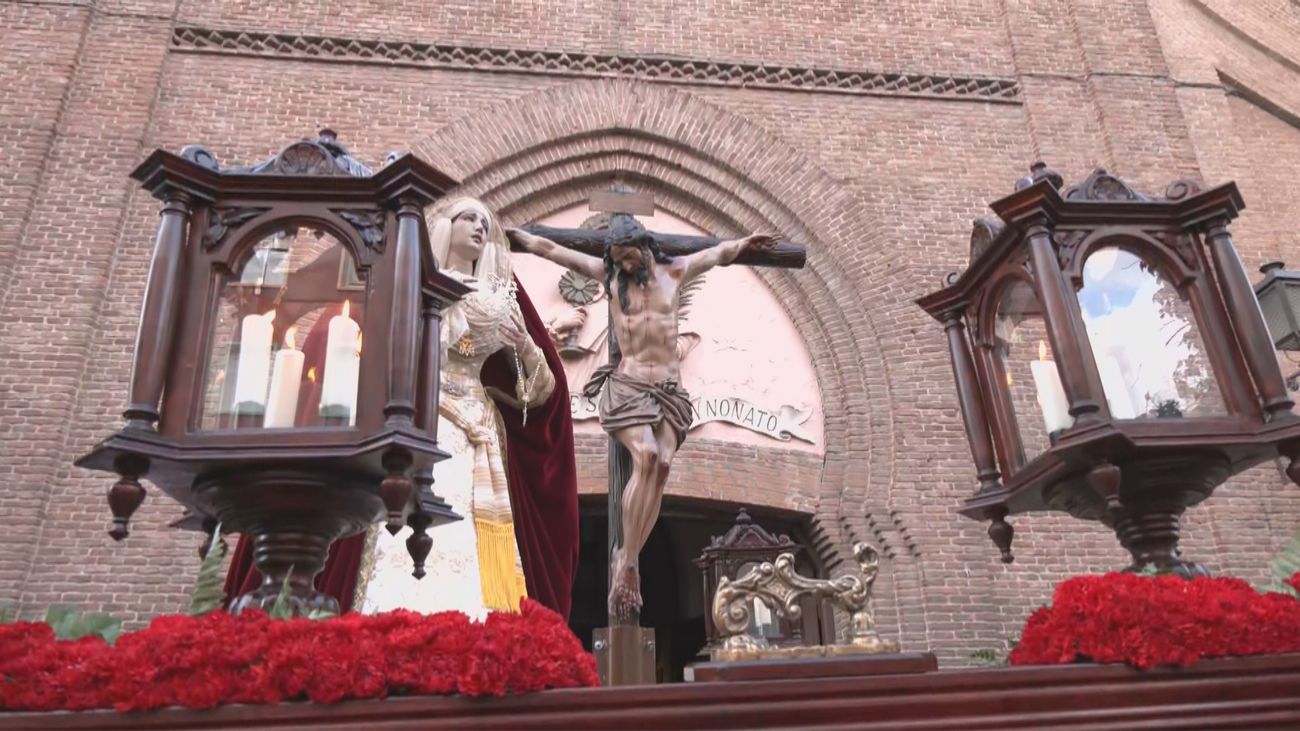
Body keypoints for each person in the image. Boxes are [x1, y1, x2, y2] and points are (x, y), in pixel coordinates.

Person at [225, 198, 580, 619]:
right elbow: (368, 343)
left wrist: (522, 344)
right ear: (446, 227)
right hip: (420, 419)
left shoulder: (503, 295)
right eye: (469, 218)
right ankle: (389, 615)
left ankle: (477, 622)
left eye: (485, 222)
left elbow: (540, 394)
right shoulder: (411, 281)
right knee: (403, 519)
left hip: (477, 433)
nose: (480, 228)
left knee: (468, 530)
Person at [508, 215, 775, 616]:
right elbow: (553, 250)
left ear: (642, 246)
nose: (625, 265)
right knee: (647, 456)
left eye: (628, 256)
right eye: (617, 259)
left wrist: (746, 244)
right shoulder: (610, 277)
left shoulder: (676, 270)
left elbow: (718, 254)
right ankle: (628, 561)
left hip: (670, 390)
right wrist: (520, 239)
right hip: (629, 386)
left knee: (663, 465)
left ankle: (626, 556)